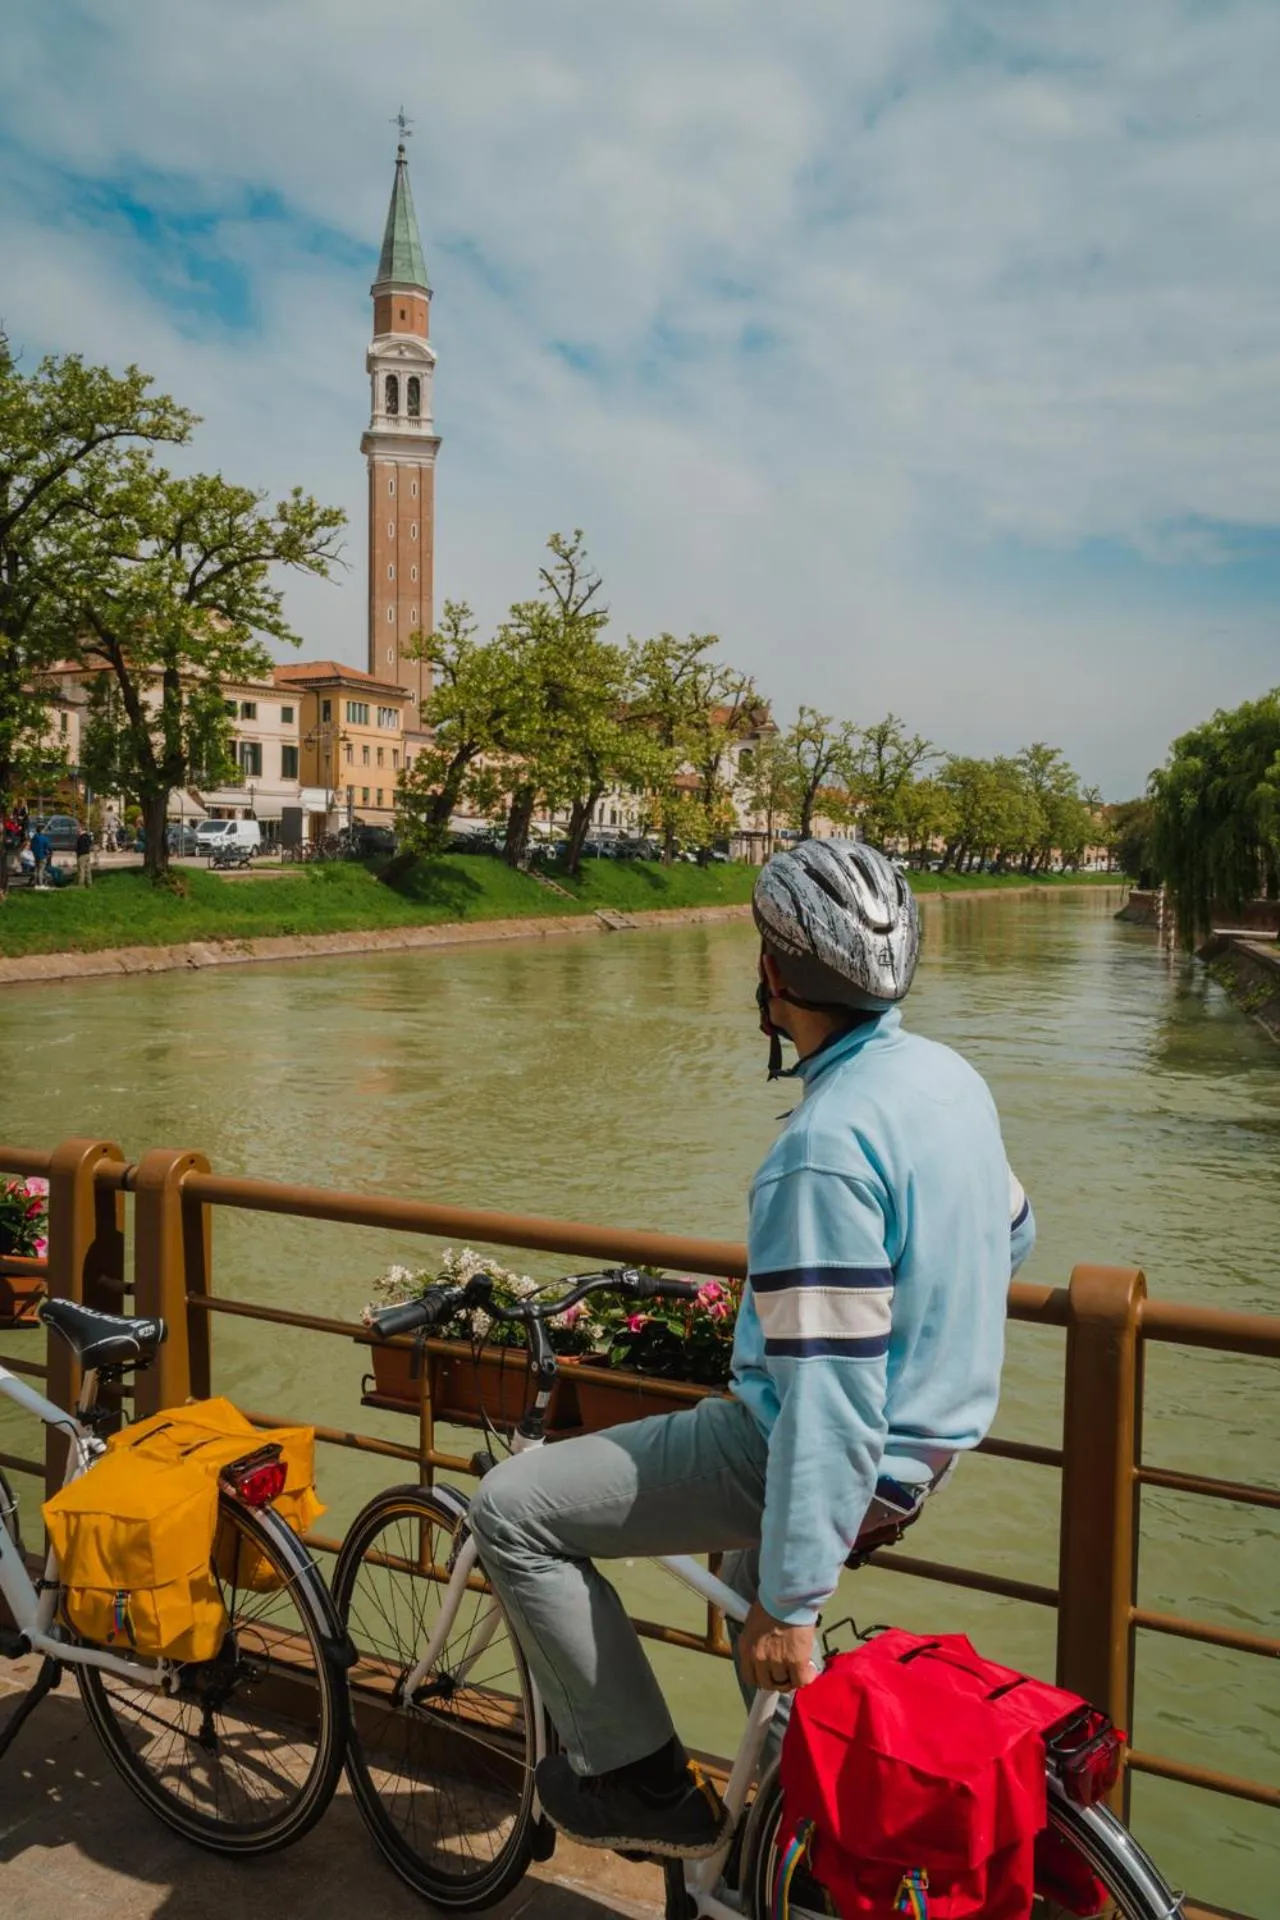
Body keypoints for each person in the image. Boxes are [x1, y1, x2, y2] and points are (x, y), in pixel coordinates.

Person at [468, 840, 1036, 1860]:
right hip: (930, 1448)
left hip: (818, 1453)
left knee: (509, 1510)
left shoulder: (819, 1152)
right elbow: (1010, 1233)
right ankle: (787, 1836)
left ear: (773, 976)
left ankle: (635, 1782)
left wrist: (791, 1601)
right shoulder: (947, 1079)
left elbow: (827, 1399)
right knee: (747, 1581)